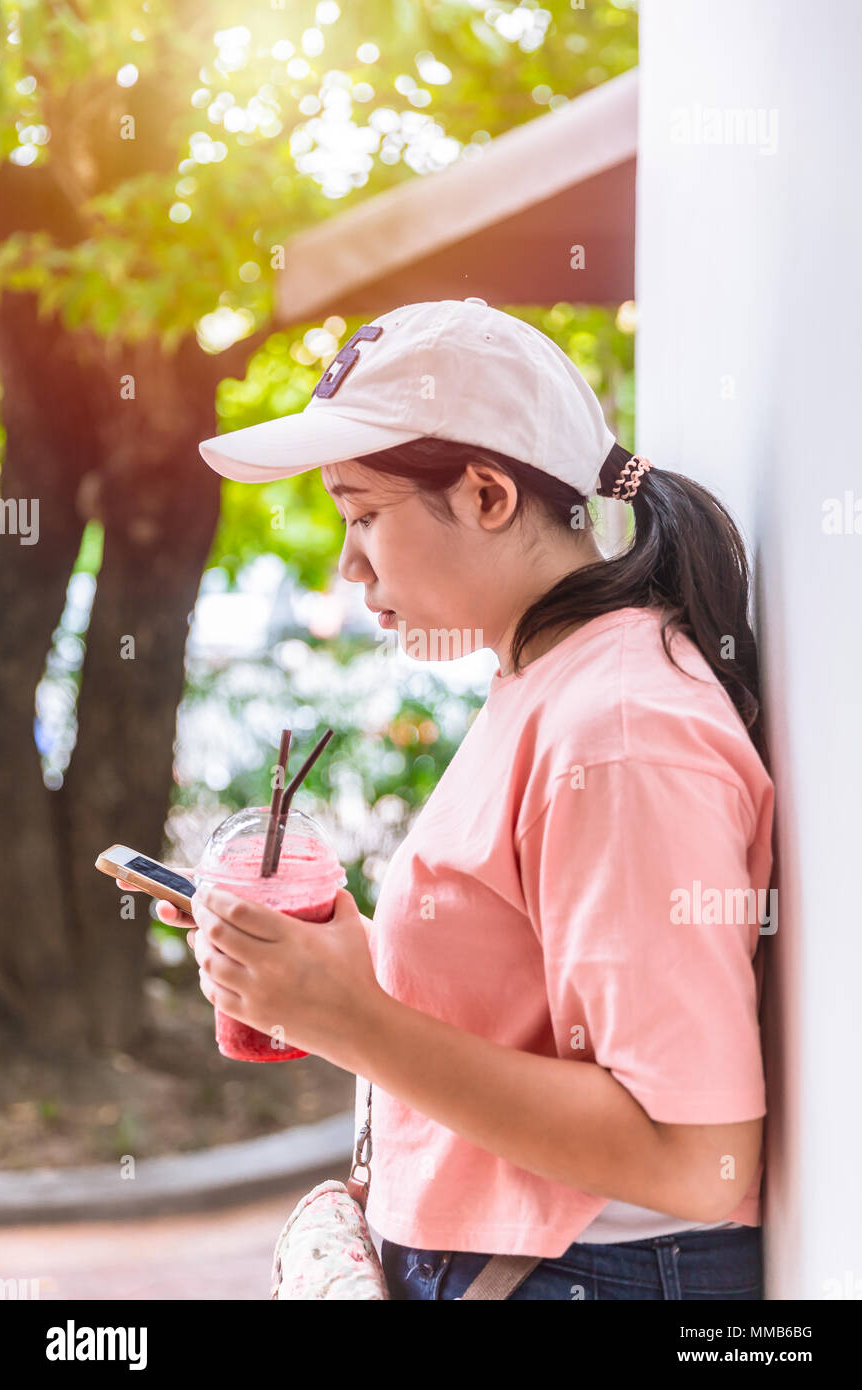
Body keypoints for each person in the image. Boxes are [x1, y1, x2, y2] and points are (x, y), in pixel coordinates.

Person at [174, 298, 773, 1300]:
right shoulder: (549, 680)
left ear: (488, 494)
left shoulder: (616, 731)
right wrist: (331, 975)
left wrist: (351, 1016)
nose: (347, 564)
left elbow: (691, 1156)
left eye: (364, 515)